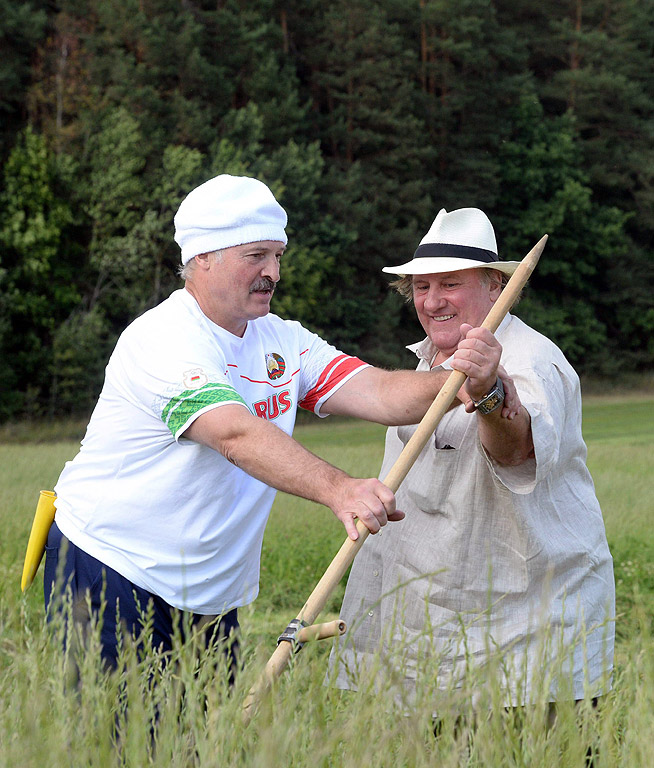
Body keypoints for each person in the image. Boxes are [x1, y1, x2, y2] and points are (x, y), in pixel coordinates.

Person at [43, 177, 520, 672]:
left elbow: (377, 391)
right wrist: (340, 489)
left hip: (208, 590)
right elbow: (233, 434)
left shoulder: (281, 340)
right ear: (203, 256)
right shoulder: (163, 339)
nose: (273, 272)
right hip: (113, 565)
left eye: (278, 255)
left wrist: (457, 383)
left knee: (201, 746)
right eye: (256, 256)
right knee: (121, 744)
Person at [329, 207, 615, 715]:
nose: (432, 301)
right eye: (421, 287)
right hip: (431, 627)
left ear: (494, 285)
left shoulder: (529, 361)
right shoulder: (431, 359)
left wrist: (489, 392)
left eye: (450, 284)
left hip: (526, 637)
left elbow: (516, 449)